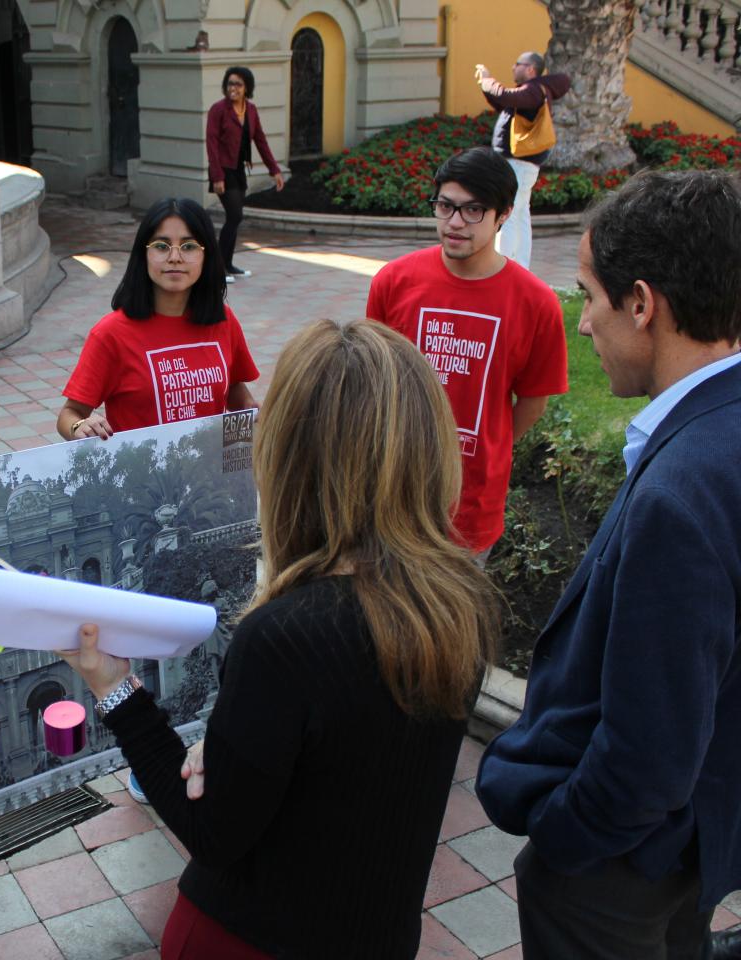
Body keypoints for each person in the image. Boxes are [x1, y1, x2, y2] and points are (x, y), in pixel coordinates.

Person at [60, 319, 500, 958]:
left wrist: (113, 688)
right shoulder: (460, 601)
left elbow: (211, 834)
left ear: (290, 455)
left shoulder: (287, 636)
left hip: (251, 938)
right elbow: (355, 768)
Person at [475, 170, 741, 960]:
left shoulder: (682, 492)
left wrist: (563, 842)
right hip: (694, 841)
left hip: (624, 868)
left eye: (589, 295)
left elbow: (647, 757)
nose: (582, 323)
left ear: (641, 303)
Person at [366, 146, 568, 561]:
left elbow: (533, 399)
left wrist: (490, 445)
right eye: (446, 206)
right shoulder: (394, 282)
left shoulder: (536, 303)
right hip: (392, 496)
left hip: (472, 507)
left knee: (454, 624)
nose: (455, 223)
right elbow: (375, 377)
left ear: (504, 214)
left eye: (473, 210)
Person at [56, 197, 259, 443]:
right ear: (144, 254)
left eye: (189, 246)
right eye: (162, 246)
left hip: (208, 476)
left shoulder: (224, 321)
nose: (175, 257)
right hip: (141, 476)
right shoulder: (110, 334)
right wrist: (79, 426)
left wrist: (255, 415)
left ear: (207, 256)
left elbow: (235, 389)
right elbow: (69, 414)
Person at [476, 51, 571, 270]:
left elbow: (504, 96)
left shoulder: (533, 91)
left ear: (530, 69)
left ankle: (503, 265)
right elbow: (502, 102)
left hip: (519, 163)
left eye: (517, 64)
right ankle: (519, 265)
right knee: (519, 213)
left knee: (508, 213)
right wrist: (487, 86)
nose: (513, 67)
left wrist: (487, 78)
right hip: (518, 163)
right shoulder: (531, 93)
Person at [205, 66, 284, 283]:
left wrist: (274, 170)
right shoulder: (218, 110)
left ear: (247, 87)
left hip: (239, 169)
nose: (233, 88)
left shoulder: (251, 110)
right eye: (230, 83)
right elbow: (211, 144)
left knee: (235, 217)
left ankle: (228, 265)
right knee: (235, 216)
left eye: (238, 84)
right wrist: (217, 176)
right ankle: (218, 270)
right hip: (222, 170)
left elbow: (260, 140)